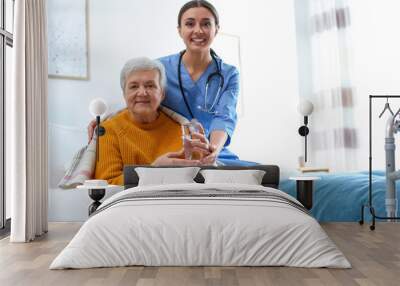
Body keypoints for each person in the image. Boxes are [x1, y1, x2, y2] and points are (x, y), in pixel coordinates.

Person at [89, 0, 256, 166]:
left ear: (216, 29)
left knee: (266, 177)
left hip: (214, 152)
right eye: (190, 24)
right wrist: (107, 121)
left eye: (206, 24)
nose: (198, 30)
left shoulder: (228, 74)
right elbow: (140, 99)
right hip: (172, 151)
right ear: (180, 30)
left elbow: (224, 118)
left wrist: (212, 150)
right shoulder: (159, 68)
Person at [94, 57, 212, 185]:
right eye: (133, 86)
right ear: (124, 94)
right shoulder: (108, 130)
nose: (142, 92)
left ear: (162, 94)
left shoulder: (184, 130)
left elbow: (201, 181)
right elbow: (106, 185)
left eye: (150, 86)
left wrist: (207, 160)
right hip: (133, 205)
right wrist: (153, 172)